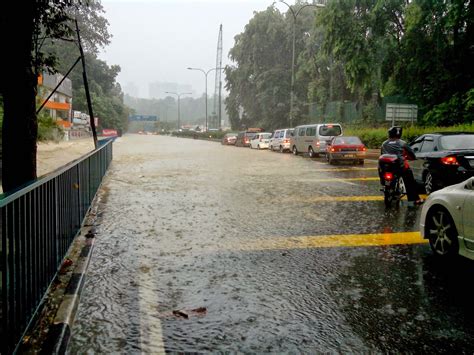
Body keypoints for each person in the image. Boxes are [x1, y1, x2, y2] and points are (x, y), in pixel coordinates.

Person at [380, 126, 423, 205]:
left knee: (382, 172)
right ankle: (415, 199)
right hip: (399, 166)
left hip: (386, 167)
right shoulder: (402, 143)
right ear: (399, 134)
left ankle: (384, 186)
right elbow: (411, 153)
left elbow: (382, 154)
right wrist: (413, 158)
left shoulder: (384, 143)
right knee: (410, 181)